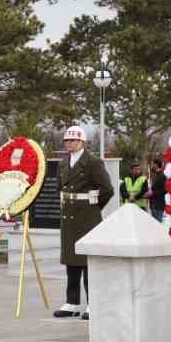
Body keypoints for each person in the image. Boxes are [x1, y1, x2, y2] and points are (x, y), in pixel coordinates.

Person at [56, 126, 114, 319]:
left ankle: (93, 303)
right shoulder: (63, 164)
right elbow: (60, 189)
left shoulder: (93, 162)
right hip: (69, 215)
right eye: (67, 140)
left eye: (73, 140)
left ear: (82, 142)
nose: (69, 143)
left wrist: (93, 207)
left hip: (87, 216)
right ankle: (72, 302)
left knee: (88, 262)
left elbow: (107, 189)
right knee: (71, 260)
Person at [148, 158, 168, 224]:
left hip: (158, 206)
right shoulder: (156, 176)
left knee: (157, 226)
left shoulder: (162, 177)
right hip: (153, 205)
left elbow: (165, 190)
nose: (151, 166)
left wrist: (152, 193)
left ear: (156, 165)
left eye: (152, 164)